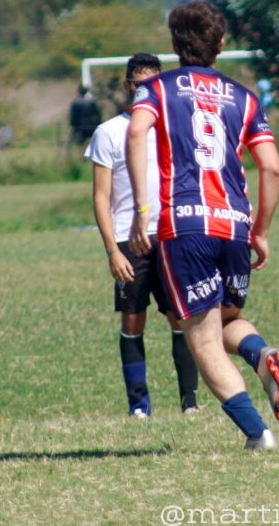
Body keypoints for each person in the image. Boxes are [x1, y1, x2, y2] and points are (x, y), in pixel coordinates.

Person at [127, 1, 279, 451]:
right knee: (225, 319)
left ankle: (257, 434)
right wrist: (260, 231)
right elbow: (272, 168)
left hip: (185, 225)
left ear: (173, 45)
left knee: (199, 338)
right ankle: (261, 356)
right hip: (235, 227)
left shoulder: (158, 89)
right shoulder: (245, 99)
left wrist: (144, 212)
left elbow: (135, 133)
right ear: (221, 45)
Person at [86, 53, 200, 418]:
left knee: (180, 318)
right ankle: (139, 407)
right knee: (133, 320)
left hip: (173, 234)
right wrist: (111, 252)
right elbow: (101, 198)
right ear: (127, 85)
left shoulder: (176, 126)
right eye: (138, 83)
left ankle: (190, 402)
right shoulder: (109, 132)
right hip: (128, 239)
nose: (144, 90)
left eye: (152, 83)